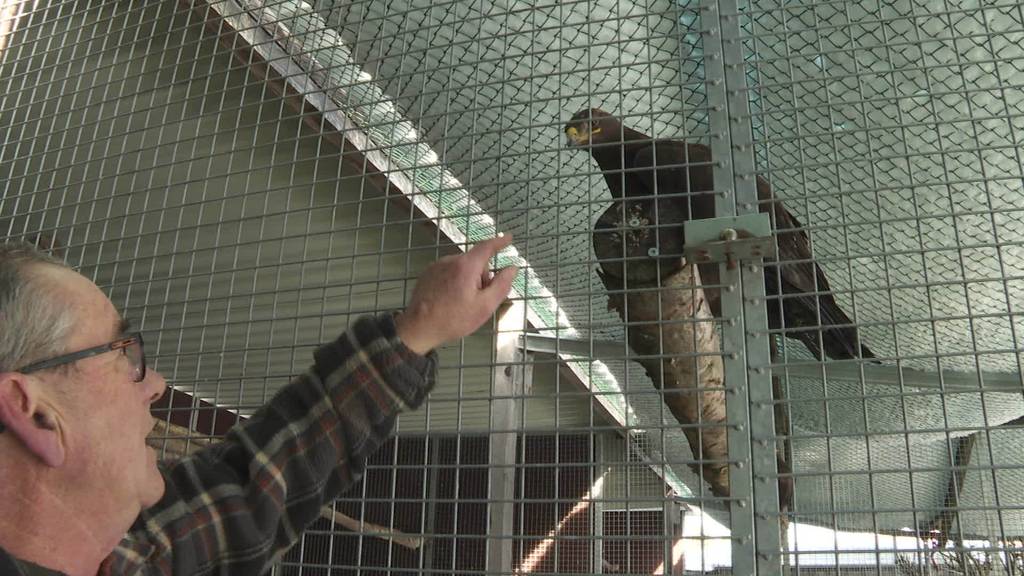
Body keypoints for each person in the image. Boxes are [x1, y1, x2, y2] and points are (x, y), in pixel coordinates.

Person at [0, 235, 518, 576]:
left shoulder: (129, 558)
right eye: (123, 353)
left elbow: (249, 493)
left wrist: (418, 330)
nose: (154, 384)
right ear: (35, 412)